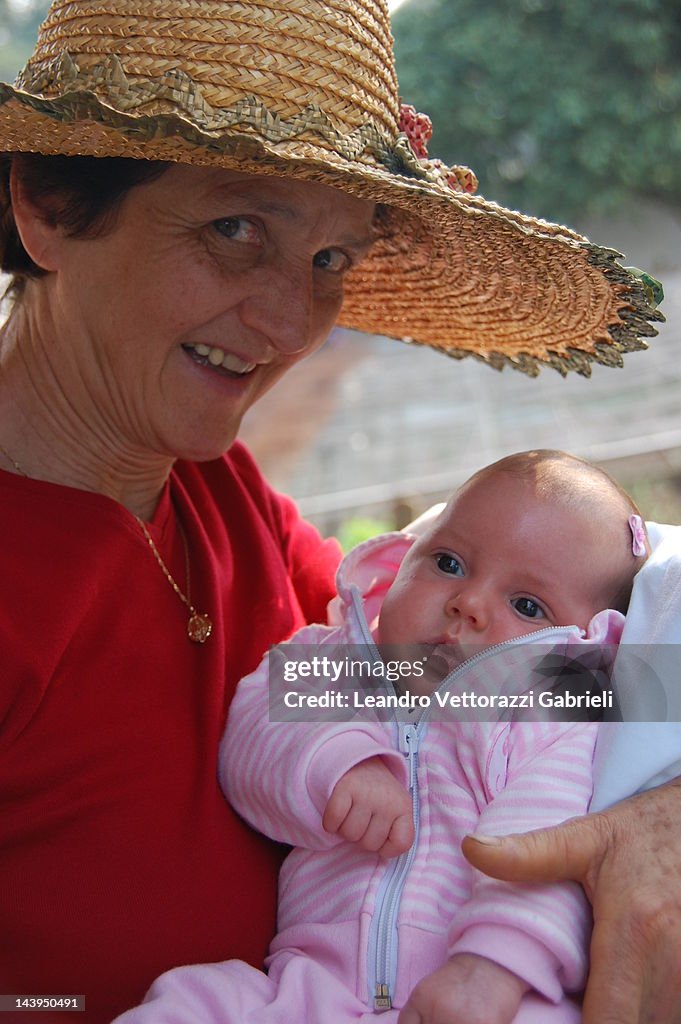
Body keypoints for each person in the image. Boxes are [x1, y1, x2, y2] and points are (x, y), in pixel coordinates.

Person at [0, 0, 667, 1020]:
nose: (288, 324)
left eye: (330, 261)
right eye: (235, 229)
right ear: (46, 202)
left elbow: (549, 673)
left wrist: (659, 811)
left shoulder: (226, 502)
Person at [113, 450, 646, 1024]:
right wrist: (341, 764)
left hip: (489, 991)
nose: (467, 603)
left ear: (580, 641)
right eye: (448, 563)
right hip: (315, 984)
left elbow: (548, 850)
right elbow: (250, 740)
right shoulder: (331, 659)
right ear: (399, 560)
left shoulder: (552, 715)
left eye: (526, 604)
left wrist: (494, 968)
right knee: (192, 1003)